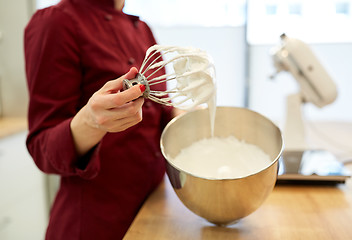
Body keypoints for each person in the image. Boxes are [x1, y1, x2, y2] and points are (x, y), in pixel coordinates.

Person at [24, 0, 178, 239]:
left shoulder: (143, 29)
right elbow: (41, 147)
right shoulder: (56, 22)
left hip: (153, 209)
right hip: (95, 223)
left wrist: (180, 114)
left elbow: (156, 111)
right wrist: (90, 122)